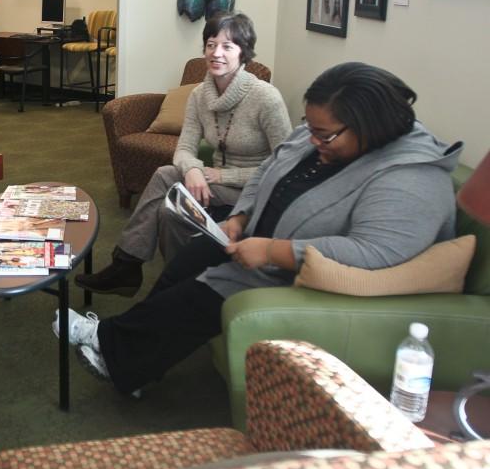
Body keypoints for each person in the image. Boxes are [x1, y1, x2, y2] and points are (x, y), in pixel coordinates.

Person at [57, 63, 461, 397]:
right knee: (192, 256)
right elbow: (272, 169)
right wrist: (240, 217)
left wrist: (272, 252)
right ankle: (133, 358)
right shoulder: (323, 135)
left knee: (205, 292)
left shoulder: (413, 180)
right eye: (310, 126)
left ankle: (112, 344)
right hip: (258, 239)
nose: (313, 138)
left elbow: (374, 253)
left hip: (296, 270)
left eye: (325, 134)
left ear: (370, 127)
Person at [76, 12, 291, 297]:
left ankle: (130, 267)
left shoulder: (266, 97)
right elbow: (185, 147)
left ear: (244, 53)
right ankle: (153, 274)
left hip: (254, 192)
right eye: (211, 44)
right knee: (168, 197)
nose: (217, 53)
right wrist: (191, 169)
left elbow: (285, 167)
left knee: (167, 191)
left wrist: (223, 175)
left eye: (227, 46)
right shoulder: (200, 95)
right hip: (214, 185)